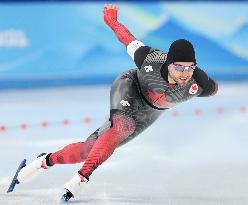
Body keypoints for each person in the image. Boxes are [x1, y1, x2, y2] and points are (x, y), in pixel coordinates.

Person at [14, 4, 218, 202]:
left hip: (151, 112)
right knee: (122, 127)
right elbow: (128, 39)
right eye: (179, 67)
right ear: (168, 63)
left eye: (190, 68)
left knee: (90, 149)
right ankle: (80, 179)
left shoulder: (199, 83)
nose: (184, 73)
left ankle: (43, 161)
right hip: (130, 87)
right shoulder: (150, 59)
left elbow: (215, 89)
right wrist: (112, 20)